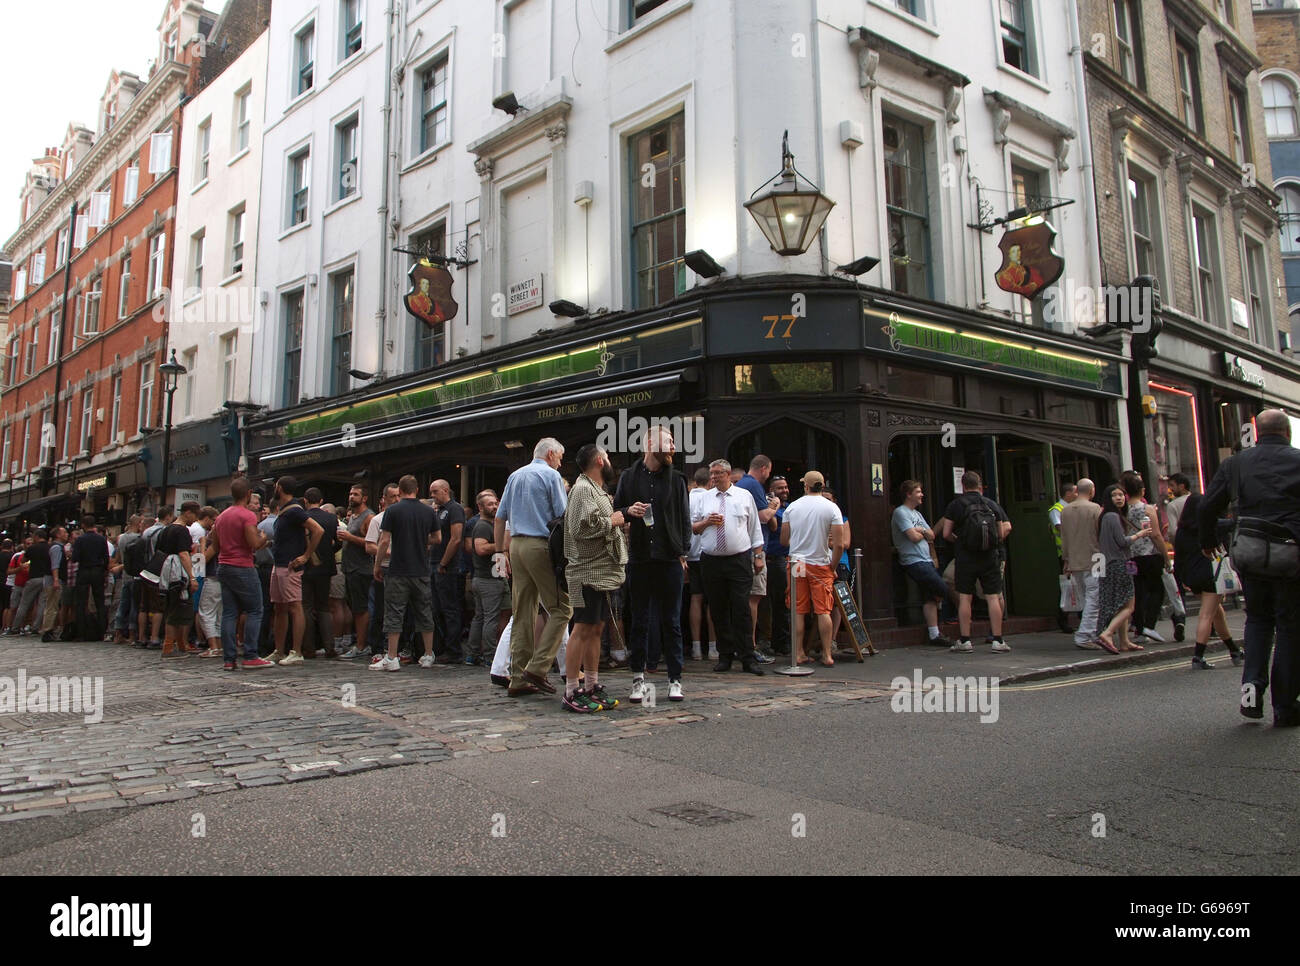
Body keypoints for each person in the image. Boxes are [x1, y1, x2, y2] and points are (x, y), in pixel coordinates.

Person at [1198, 409, 1300, 725]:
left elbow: (1206, 506)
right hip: (1291, 557)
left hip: (1251, 554)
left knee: (1257, 620)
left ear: (1257, 432)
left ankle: (1251, 693)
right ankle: (1284, 707)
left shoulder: (1236, 463)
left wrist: (1208, 540)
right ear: (1287, 433)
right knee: (1289, 626)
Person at [613, 424, 692, 703]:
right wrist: (627, 511)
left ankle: (675, 679)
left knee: (672, 621)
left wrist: (683, 552)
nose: (672, 445)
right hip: (640, 558)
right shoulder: (629, 476)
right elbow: (616, 511)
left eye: (672, 441)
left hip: (669, 558)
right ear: (649, 442)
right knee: (640, 622)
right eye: (668, 440)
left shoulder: (677, 479)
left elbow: (684, 519)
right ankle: (638, 679)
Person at [494, 438, 571, 697]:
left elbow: (499, 516)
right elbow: (563, 515)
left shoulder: (515, 476)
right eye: (560, 457)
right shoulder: (551, 476)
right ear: (550, 454)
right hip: (540, 546)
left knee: (523, 612)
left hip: (515, 546)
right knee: (561, 608)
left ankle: (517, 678)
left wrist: (498, 551)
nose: (560, 462)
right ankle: (538, 667)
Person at [563, 444, 630, 711]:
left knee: (596, 628)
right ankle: (571, 691)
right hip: (585, 572)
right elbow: (582, 528)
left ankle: (590, 685)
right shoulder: (582, 489)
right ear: (601, 461)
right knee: (581, 629)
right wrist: (613, 520)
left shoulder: (593, 488)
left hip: (600, 572)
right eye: (608, 457)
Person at [695, 459, 765, 675]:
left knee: (741, 608)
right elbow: (693, 528)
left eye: (717, 473)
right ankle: (725, 656)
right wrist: (707, 522)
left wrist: (759, 555)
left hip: (739, 559)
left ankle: (747, 657)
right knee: (718, 608)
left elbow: (754, 528)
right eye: (712, 474)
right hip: (712, 560)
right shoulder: (704, 498)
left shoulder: (744, 496)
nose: (713, 477)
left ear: (727, 474)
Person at [371, 474, 439, 671]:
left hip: (398, 569)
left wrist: (377, 565)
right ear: (417, 490)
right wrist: (421, 540)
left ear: (399, 491)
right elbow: (438, 538)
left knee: (394, 612)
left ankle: (391, 657)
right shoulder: (428, 511)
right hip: (421, 569)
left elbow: (384, 541)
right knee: (424, 611)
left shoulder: (392, 511)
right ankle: (428, 654)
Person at [941, 470, 1012, 653]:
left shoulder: (956, 505)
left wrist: (961, 541)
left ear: (962, 485)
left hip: (966, 557)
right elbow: (1002, 531)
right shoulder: (991, 504)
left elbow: (946, 534)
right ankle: (998, 640)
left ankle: (965, 640)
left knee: (965, 597)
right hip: (990, 557)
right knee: (993, 597)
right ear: (979, 485)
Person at [1172, 493, 1242, 669]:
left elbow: (1179, 559)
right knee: (1206, 615)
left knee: (1217, 612)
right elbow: (1233, 524)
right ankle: (1198, 656)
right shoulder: (1210, 526)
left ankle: (1234, 650)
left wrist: (1182, 580)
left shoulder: (1181, 531)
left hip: (1192, 577)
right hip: (1211, 575)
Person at [781, 470, 844, 666]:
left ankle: (798, 652)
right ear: (822, 486)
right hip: (820, 563)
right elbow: (840, 544)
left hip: (797, 563)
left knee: (798, 609)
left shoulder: (792, 507)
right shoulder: (832, 508)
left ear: (806, 486)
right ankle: (827, 654)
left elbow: (784, 540)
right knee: (823, 610)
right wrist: (832, 566)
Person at [210, 477, 273, 669]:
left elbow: (216, 544)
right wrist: (264, 538)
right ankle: (251, 654)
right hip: (242, 565)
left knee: (229, 613)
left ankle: (229, 659)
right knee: (255, 610)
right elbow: (254, 544)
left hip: (224, 565)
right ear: (247, 494)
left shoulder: (221, 516)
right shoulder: (247, 516)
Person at [266, 477, 324, 667]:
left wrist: (306, 556)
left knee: (294, 606)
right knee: (280, 607)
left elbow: (318, 530)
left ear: (280, 488)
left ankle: (296, 651)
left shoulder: (294, 510)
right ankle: (279, 650)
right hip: (280, 563)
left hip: (290, 565)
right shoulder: (285, 510)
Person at [892, 480, 954, 648]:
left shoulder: (917, 515)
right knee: (943, 589)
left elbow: (932, 535)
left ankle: (934, 634)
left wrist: (920, 531)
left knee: (931, 596)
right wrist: (921, 532)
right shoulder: (901, 512)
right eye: (918, 492)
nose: (922, 495)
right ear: (908, 494)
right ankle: (959, 618)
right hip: (914, 560)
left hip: (925, 559)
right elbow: (913, 537)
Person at [1095, 483, 1150, 654]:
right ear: (1108, 499)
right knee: (1129, 607)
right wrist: (1140, 534)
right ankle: (1108, 633)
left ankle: (1124, 642)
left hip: (1112, 564)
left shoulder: (1108, 516)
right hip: (1120, 564)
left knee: (1122, 606)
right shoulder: (1112, 516)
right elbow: (1122, 542)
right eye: (1114, 495)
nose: (1119, 498)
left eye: (1121, 494)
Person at [735, 455, 780, 662]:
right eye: (769, 471)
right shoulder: (752, 485)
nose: (768, 475)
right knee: (753, 598)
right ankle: (750, 647)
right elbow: (764, 518)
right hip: (754, 552)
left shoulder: (744, 484)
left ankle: (744, 645)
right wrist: (775, 506)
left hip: (746, 550)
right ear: (764, 468)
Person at [1059, 479, 1103, 650]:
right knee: (1096, 598)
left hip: (1074, 560)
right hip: (1096, 558)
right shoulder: (1095, 508)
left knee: (1086, 599)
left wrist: (1066, 559)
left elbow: (1064, 538)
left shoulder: (1065, 510)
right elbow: (1100, 534)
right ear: (1091, 490)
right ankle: (1085, 635)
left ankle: (1092, 633)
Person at [1124, 475, 1168, 644]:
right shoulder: (1147, 509)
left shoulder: (1122, 510)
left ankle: (1139, 628)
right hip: (1149, 555)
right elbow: (1156, 535)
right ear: (1142, 490)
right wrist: (1166, 557)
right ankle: (1149, 625)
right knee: (1157, 590)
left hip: (1131, 558)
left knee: (1138, 592)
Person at [467, 489, 507, 667]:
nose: (494, 506)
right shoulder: (483, 526)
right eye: (490, 504)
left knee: (481, 617)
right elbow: (480, 548)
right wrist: (502, 545)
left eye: (495, 503)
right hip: (487, 578)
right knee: (489, 618)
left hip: (490, 578)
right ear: (480, 507)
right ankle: (489, 655)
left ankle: (473, 653)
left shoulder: (492, 524)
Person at [428, 479, 465, 664]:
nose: (433, 496)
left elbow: (456, 538)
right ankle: (441, 646)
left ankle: (454, 650)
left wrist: (443, 562)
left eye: (435, 492)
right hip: (434, 562)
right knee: (437, 608)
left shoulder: (454, 509)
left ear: (445, 490)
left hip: (446, 566)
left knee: (449, 608)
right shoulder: (439, 511)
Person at [157, 504, 201, 657]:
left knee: (172, 607)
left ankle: (179, 645)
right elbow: (183, 554)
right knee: (179, 608)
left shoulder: (167, 529)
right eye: (195, 515)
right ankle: (169, 647)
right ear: (188, 513)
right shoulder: (182, 530)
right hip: (178, 573)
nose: (195, 520)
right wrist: (192, 577)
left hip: (167, 573)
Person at [301, 487, 339, 659]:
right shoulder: (331, 518)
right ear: (321, 501)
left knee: (307, 607)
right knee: (324, 607)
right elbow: (338, 542)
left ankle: (308, 647)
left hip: (307, 566)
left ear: (305, 501)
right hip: (326, 566)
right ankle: (329, 646)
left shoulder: (303, 518)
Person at [338, 484, 375, 659]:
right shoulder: (352, 516)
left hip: (361, 569)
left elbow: (370, 543)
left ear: (364, 498)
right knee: (354, 607)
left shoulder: (368, 517)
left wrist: (350, 538)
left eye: (356, 494)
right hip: (350, 568)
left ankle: (361, 645)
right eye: (350, 493)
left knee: (361, 608)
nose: (351, 497)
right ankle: (358, 641)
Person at [365, 483, 401, 658]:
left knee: (400, 610)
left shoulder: (405, 517)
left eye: (398, 496)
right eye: (393, 496)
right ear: (384, 499)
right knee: (380, 609)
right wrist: (389, 553)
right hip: (385, 567)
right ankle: (377, 648)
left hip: (403, 569)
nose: (396, 500)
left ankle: (397, 648)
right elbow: (370, 545)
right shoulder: (377, 519)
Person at [686, 466, 717, 662]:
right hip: (707, 553)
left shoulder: (686, 498)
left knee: (695, 599)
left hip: (688, 555)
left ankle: (696, 647)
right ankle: (713, 647)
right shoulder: (711, 498)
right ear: (711, 482)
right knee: (712, 601)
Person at [71, 515, 111, 641]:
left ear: (83, 525)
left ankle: (81, 633)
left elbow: (75, 558)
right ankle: (101, 632)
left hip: (84, 570)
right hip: (97, 570)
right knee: (99, 602)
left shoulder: (80, 540)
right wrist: (104, 571)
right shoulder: (101, 539)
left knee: (81, 603)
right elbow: (106, 558)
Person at [765, 474, 791, 656]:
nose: (784, 490)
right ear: (771, 490)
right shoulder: (770, 508)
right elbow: (772, 525)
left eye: (786, 487)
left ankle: (782, 642)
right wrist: (772, 508)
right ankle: (775, 641)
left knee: (785, 603)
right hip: (772, 559)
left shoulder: (790, 508)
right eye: (780, 488)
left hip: (788, 560)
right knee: (774, 604)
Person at [9, 528, 52, 635]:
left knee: (24, 603)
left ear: (37, 537)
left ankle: (15, 627)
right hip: (47, 578)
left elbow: (24, 561)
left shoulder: (32, 548)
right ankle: (36, 627)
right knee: (42, 604)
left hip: (34, 577)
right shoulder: (50, 548)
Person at [194, 507, 223, 658]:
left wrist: (203, 543)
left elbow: (202, 561)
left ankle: (213, 646)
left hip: (212, 577)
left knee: (205, 611)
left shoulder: (212, 540)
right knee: (218, 613)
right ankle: (218, 645)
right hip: (223, 579)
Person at [1049, 482, 1078, 633]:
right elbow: (1060, 528)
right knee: (1067, 587)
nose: (1077, 495)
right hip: (1064, 553)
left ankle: (1081, 615)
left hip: (1076, 551)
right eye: (1075, 492)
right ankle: (1063, 619)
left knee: (1078, 584)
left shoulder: (1073, 508)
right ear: (1068, 494)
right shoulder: (1056, 509)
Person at [113, 516, 143, 644]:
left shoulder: (122, 538)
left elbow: (120, 557)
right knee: (134, 605)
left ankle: (118, 632)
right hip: (135, 574)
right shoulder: (137, 539)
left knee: (123, 603)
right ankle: (132, 633)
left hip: (125, 574)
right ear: (138, 523)